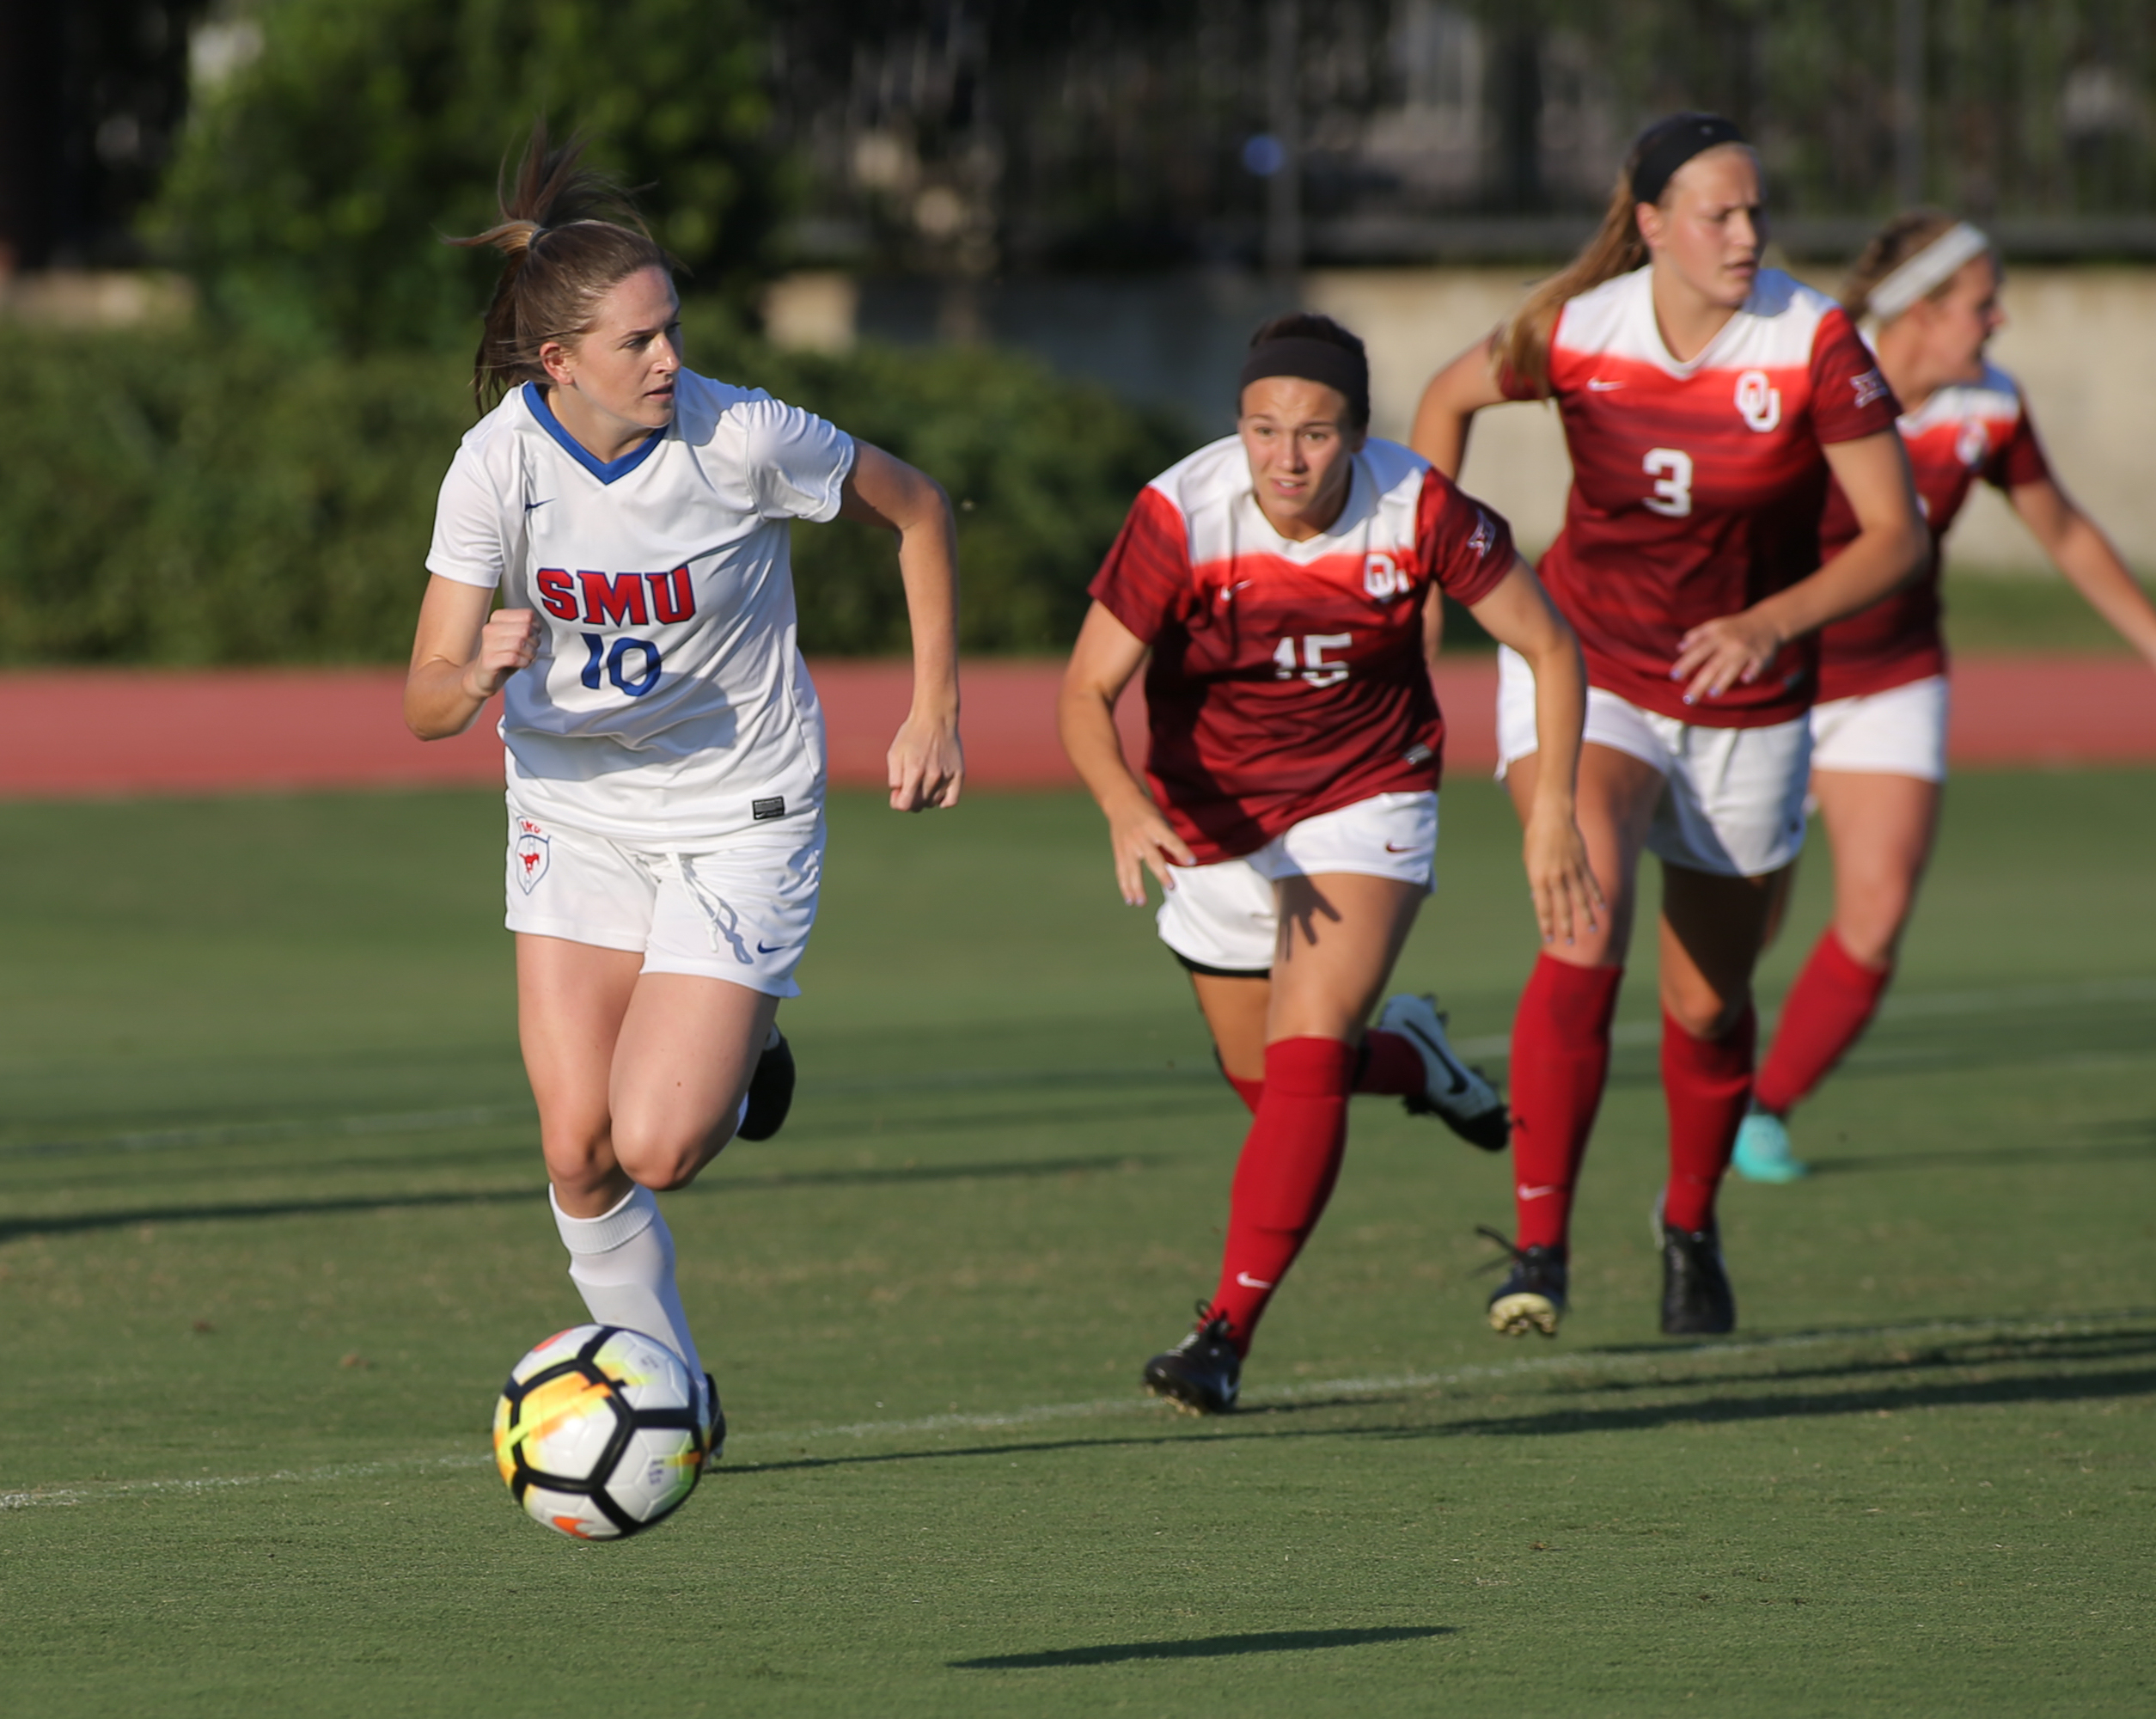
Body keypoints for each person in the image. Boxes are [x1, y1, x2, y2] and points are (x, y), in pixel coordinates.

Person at [403, 131, 962, 1455]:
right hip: (572, 814)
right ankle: (674, 1398)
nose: (668, 359)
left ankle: (751, 1040)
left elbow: (921, 510)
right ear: (559, 363)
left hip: (737, 817)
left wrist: (934, 707)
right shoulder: (497, 465)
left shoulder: (741, 435)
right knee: (577, 1152)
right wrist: (474, 672)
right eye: (638, 341)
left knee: (656, 1147)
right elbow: (423, 701)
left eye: (671, 331)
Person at [1411, 113, 1928, 1339]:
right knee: (1583, 927)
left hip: (1750, 705)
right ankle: (1540, 1246)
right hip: (1589, 668)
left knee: (1705, 1002)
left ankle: (1689, 1222)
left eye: (1756, 212)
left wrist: (1772, 621)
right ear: (1651, 225)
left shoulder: (1812, 340)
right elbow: (1442, 401)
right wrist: (1428, 595)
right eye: (1719, 214)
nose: (1747, 235)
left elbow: (1897, 536)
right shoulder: (1577, 328)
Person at [1061, 313, 1598, 1412]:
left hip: (1368, 795)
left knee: (1305, 1062)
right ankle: (1416, 1060)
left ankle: (1222, 1334)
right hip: (1210, 813)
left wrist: (1553, 809)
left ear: (1357, 433)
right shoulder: (1180, 510)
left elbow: (1549, 644)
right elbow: (1085, 690)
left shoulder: (1419, 507)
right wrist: (1121, 802)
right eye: (1263, 428)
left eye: (1314, 433)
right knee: (1267, 1084)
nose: (1287, 457)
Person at [1732, 212, 2156, 1184]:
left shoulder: (1990, 407)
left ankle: (1764, 1109)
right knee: (1740, 926)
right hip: (1771, 681)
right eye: (1982, 303)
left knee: (1878, 913)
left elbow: (2065, 530)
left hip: (1893, 677)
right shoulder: (1805, 380)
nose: (1998, 320)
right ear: (1921, 313)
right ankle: (1707, 1079)